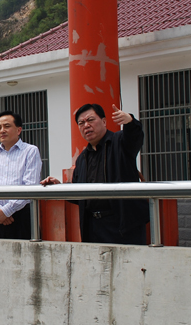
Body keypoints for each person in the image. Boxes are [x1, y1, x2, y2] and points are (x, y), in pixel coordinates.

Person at [40, 103, 149, 244]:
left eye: (90, 120)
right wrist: (59, 187)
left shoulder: (120, 142)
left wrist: (130, 122)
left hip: (122, 226)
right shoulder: (82, 158)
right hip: (92, 227)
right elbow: (78, 195)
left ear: (104, 121)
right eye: (81, 123)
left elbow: (135, 136)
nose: (86, 125)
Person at [0, 111, 42, 240]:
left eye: (7, 126)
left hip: (21, 216)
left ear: (19, 130)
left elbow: (30, 186)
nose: (2, 130)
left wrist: (7, 211)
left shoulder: (30, 151)